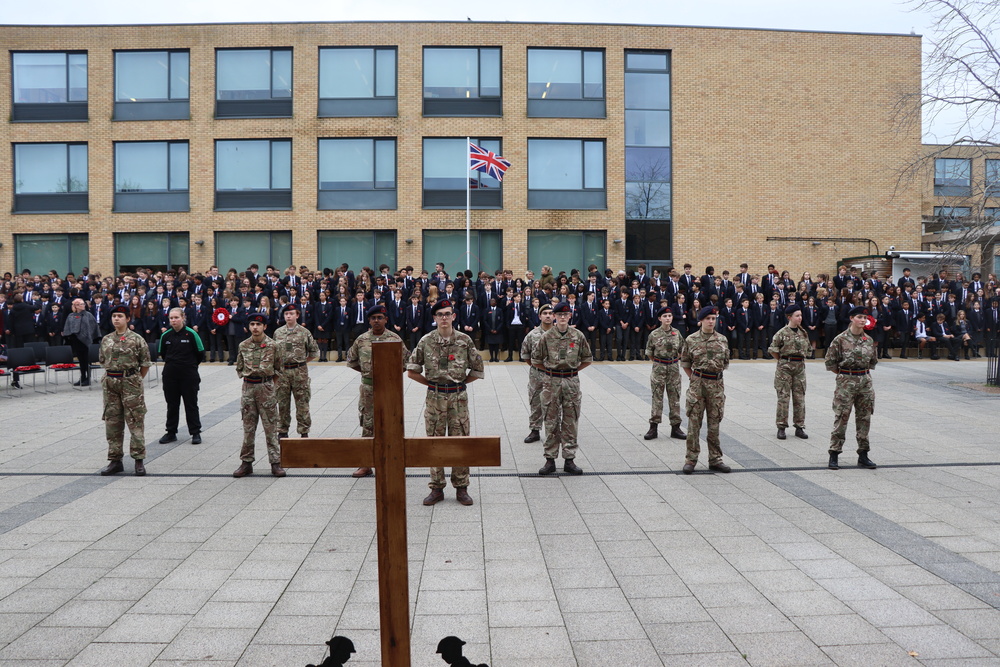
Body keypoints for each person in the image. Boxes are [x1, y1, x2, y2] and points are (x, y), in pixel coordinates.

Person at [406, 299, 485, 506]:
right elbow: (412, 371)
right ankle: (437, 487)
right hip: (435, 398)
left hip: (458, 398)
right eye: (440, 314)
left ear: (454, 316)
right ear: (434, 318)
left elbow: (477, 368)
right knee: (434, 441)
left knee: (460, 441)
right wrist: (432, 385)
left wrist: (460, 384)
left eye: (447, 314)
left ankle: (462, 487)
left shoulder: (464, 340)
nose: (444, 318)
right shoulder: (426, 341)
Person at [532, 301, 594, 475]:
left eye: (565, 315)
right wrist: (551, 372)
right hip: (551, 382)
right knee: (550, 419)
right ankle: (550, 459)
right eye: (559, 315)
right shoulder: (546, 336)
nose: (562, 317)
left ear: (570, 316)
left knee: (570, 419)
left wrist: (572, 371)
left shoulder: (578, 335)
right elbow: (536, 360)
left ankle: (569, 459)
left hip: (571, 382)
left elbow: (587, 358)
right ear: (554, 316)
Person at [346, 304, 407, 478]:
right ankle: (366, 464)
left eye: (380, 318)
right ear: (369, 320)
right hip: (369, 389)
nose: (377, 321)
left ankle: (395, 462)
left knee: (392, 425)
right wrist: (368, 374)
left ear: (386, 320)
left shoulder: (394, 339)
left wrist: (389, 376)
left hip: (389, 389)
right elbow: (352, 361)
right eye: (373, 318)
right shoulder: (362, 340)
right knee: (368, 425)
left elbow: (405, 362)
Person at [99, 305, 152, 476]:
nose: (116, 319)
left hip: (130, 383)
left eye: (120, 316)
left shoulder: (137, 339)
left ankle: (138, 459)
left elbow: (145, 363)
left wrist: (133, 379)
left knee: (135, 421)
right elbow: (102, 360)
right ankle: (115, 460)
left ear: (128, 319)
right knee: (112, 422)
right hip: (110, 384)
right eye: (114, 316)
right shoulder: (106, 339)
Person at [825, 305, 878, 470]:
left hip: (865, 382)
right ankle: (834, 453)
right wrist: (846, 374)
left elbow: (872, 362)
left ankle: (863, 454)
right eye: (859, 317)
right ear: (851, 318)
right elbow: (830, 362)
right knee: (842, 417)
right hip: (846, 382)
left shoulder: (869, 340)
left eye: (865, 318)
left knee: (864, 418)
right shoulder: (840, 339)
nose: (863, 320)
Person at [679, 306, 732, 474]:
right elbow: (685, 363)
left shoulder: (722, 339)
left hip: (716, 386)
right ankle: (691, 459)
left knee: (714, 423)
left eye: (713, 318)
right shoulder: (691, 339)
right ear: (701, 320)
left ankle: (715, 459)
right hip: (698, 385)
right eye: (708, 318)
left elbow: (725, 363)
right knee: (694, 423)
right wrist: (695, 378)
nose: (711, 321)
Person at [233, 312, 286, 478]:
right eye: (252, 324)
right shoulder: (243, 345)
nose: (255, 327)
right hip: (248, 388)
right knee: (248, 427)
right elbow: (239, 367)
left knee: (270, 427)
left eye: (258, 324)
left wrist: (269, 384)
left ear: (265, 327)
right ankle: (246, 462)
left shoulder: (273, 345)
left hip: (266, 387)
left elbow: (279, 369)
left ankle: (275, 463)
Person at [158, 308, 204, 445]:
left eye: (176, 317)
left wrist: (190, 366)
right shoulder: (165, 335)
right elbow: (163, 354)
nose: (174, 320)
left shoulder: (191, 334)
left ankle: (195, 432)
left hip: (188, 375)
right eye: (171, 318)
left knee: (191, 404)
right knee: (172, 404)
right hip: (170, 375)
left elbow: (200, 353)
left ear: (183, 317)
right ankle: (171, 432)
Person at [273, 304, 320, 438]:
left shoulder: (304, 332)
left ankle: (304, 432)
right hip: (282, 373)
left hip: (299, 372)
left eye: (291, 314)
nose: (288, 316)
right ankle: (282, 431)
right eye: (286, 314)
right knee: (282, 403)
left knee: (302, 403)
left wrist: (302, 362)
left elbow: (314, 352)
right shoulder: (278, 333)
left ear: (297, 315)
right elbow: (274, 352)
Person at [768, 304, 810, 440]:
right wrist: (783, 361)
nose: (800, 318)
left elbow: (808, 350)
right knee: (783, 398)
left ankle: (799, 427)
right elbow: (773, 350)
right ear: (789, 317)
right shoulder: (781, 333)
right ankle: (781, 427)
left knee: (799, 398)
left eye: (801, 315)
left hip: (799, 368)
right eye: (797, 316)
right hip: (785, 369)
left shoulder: (803, 333)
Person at [644, 306, 686, 440]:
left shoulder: (676, 333)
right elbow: (649, 352)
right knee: (657, 397)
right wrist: (660, 362)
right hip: (659, 368)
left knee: (675, 398)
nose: (668, 318)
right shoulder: (654, 334)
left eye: (669, 316)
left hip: (673, 368)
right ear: (660, 318)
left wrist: (673, 360)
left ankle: (676, 427)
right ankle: (653, 427)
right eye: (665, 316)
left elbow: (682, 349)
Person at [520, 303, 554, 443]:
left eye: (550, 313)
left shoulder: (560, 334)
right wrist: (538, 367)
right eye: (545, 313)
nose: (548, 316)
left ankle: (553, 431)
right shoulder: (532, 335)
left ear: (554, 316)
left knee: (555, 403)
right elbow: (526, 355)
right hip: (537, 374)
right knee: (535, 401)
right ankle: (535, 431)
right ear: (540, 316)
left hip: (555, 375)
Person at [63, 297, 99, 387]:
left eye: (83, 304)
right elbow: (68, 327)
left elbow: (93, 327)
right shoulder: (71, 315)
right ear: (76, 306)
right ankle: (82, 377)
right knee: (81, 360)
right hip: (76, 341)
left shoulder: (88, 315)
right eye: (81, 304)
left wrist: (90, 336)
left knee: (87, 360)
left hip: (86, 341)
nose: (83, 305)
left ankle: (88, 378)